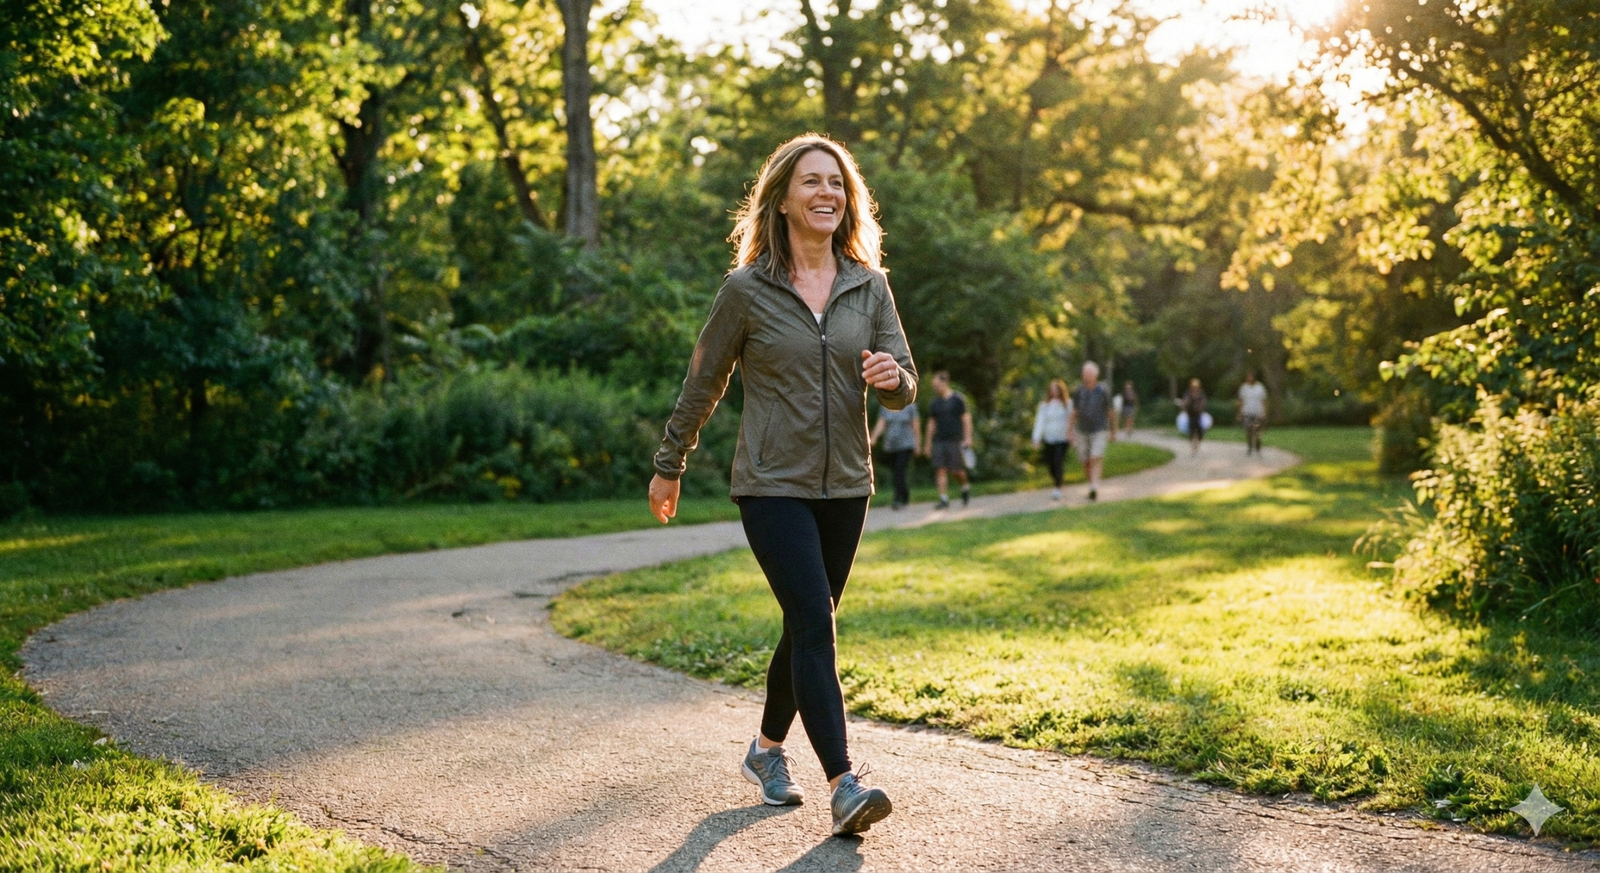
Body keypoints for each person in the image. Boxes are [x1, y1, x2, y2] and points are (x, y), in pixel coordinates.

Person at [647, 134, 911, 837]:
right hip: (770, 483)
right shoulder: (747, 291)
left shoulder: (869, 283)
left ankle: (766, 750)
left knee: (806, 623)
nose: (828, 192)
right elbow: (704, 377)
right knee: (815, 624)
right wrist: (671, 460)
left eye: (837, 183)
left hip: (847, 484)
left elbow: (904, 380)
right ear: (784, 199)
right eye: (812, 182)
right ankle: (845, 783)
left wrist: (893, 380)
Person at [922, 371, 972, 509]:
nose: (935, 388)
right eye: (934, 386)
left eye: (937, 385)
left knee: (957, 471)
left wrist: (968, 438)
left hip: (955, 440)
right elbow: (931, 424)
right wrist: (927, 444)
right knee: (940, 469)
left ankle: (965, 487)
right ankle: (943, 499)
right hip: (939, 440)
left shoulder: (958, 399)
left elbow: (966, 420)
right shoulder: (935, 403)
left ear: (945, 383)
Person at [1067, 361, 1112, 501]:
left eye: (1089, 373)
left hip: (1099, 429)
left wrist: (1114, 430)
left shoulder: (1103, 390)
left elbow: (1110, 411)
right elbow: (1074, 412)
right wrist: (1069, 430)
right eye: (1085, 373)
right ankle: (1092, 485)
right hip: (1082, 430)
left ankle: (1094, 487)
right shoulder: (1078, 391)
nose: (1087, 376)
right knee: (1085, 460)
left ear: (1096, 374)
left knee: (1095, 456)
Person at [871, 402, 919, 508]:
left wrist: (917, 444)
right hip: (891, 446)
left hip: (906, 444)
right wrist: (873, 438)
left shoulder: (909, 404)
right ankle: (905, 495)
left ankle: (897, 498)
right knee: (896, 472)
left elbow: (915, 424)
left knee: (899, 470)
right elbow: (881, 423)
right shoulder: (885, 404)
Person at [1031, 378, 1073, 500]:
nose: (1054, 392)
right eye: (1052, 390)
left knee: (1057, 461)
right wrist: (1036, 438)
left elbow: (1071, 421)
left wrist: (1072, 436)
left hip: (1062, 438)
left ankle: (1058, 487)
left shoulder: (1067, 404)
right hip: (1049, 439)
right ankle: (1057, 480)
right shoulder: (1044, 406)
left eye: (1056, 389)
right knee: (1050, 465)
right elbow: (1040, 422)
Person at [1237, 371, 1269, 456]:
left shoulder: (1260, 387)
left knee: (1258, 431)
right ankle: (1250, 447)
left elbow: (1264, 401)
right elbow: (1241, 401)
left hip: (1258, 413)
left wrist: (1264, 413)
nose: (1249, 379)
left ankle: (1258, 447)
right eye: (1248, 377)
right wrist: (1239, 413)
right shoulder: (1244, 388)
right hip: (1247, 412)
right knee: (1249, 430)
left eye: (1251, 377)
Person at [1181, 378, 1208, 456]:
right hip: (1190, 414)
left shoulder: (1201, 394)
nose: (1195, 387)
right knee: (1191, 430)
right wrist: (1185, 405)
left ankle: (1197, 444)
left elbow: (1204, 402)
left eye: (1196, 386)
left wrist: (1200, 407)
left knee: (1200, 431)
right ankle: (1193, 446)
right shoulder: (1188, 393)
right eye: (1193, 386)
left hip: (1198, 414)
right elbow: (1184, 403)